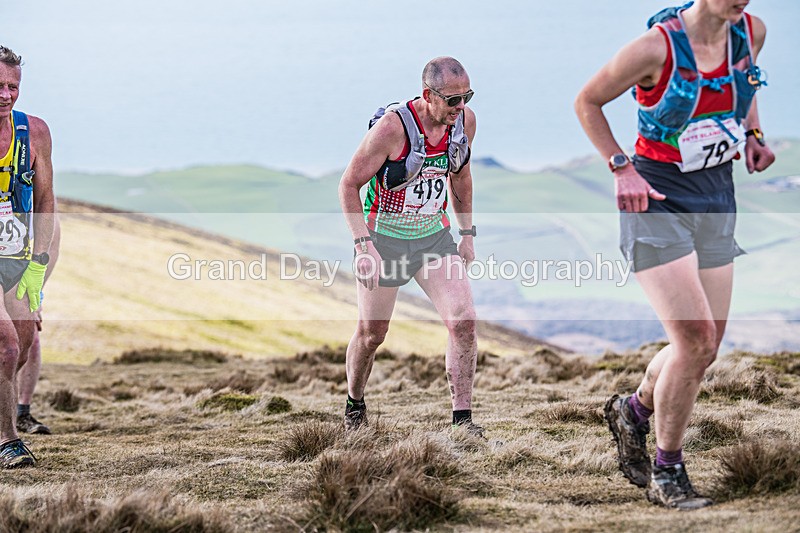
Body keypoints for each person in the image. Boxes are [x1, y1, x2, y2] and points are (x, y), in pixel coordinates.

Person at [574, 0, 774, 510]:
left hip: (716, 193)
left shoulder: (750, 31)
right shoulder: (656, 47)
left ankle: (633, 412)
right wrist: (621, 167)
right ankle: (668, 471)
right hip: (656, 197)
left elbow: (746, 86)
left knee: (705, 347)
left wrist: (752, 135)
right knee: (696, 339)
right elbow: (588, 102)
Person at [338, 57, 482, 436]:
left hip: (433, 238)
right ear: (427, 96)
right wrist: (363, 245)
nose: (461, 107)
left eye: (467, 96)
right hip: (383, 240)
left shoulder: (463, 124)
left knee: (464, 322)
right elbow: (348, 184)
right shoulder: (392, 129)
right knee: (372, 335)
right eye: (452, 100)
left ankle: (462, 424)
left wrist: (466, 234)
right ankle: (355, 403)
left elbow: (461, 176)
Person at [0, 45, 56, 468]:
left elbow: (45, 199)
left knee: (21, 344)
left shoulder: (33, 132)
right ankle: (9, 442)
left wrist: (39, 264)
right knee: (3, 344)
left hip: (17, 255)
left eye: (12, 86)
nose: (5, 94)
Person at [16, 215, 60, 435]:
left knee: (30, 337)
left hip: (25, 275)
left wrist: (36, 293)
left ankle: (22, 413)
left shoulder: (42, 203)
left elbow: (52, 246)